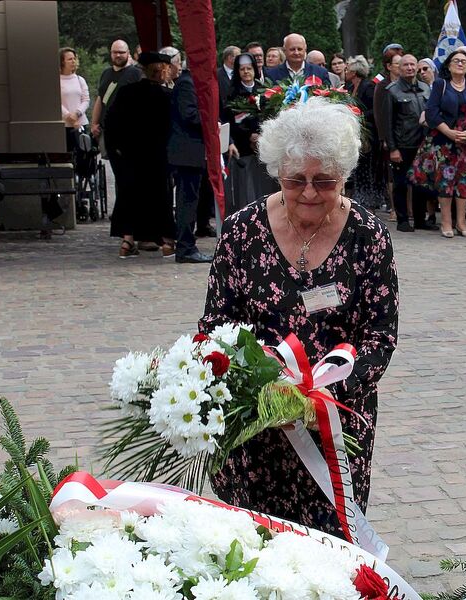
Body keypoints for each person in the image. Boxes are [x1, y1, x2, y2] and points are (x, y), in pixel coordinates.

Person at [200, 98, 399, 538]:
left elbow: (379, 337)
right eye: (296, 180)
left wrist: (316, 398)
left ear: (344, 176)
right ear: (277, 173)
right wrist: (258, 388)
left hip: (335, 420)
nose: (309, 192)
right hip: (256, 421)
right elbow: (217, 327)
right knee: (255, 541)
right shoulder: (241, 232)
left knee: (330, 542)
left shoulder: (369, 237)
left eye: (325, 180)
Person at [410, 49, 466, 238]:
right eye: (456, 60)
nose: (460, 64)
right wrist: (450, 133)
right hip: (444, 142)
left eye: (464, 61)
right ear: (449, 65)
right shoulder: (440, 84)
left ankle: (461, 223)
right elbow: (432, 113)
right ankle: (446, 222)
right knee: (445, 183)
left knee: (464, 183)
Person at [105, 51, 175, 259]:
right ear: (161, 70)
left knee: (129, 196)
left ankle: (127, 240)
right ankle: (167, 242)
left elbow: (111, 122)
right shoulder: (166, 96)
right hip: (157, 156)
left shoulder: (127, 92)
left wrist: (117, 149)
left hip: (130, 156)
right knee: (160, 197)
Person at [167, 64, 214, 264]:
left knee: (191, 198)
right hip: (187, 151)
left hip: (192, 151)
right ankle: (185, 247)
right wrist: (211, 122)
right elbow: (190, 115)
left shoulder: (190, 82)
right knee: (187, 200)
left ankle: (186, 244)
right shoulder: (187, 83)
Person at [385, 54, 436, 232]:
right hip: (402, 145)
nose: (410, 68)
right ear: (399, 68)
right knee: (400, 184)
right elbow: (388, 123)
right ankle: (403, 219)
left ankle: (421, 219)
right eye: (405, 65)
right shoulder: (392, 91)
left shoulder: (425, 88)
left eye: (412, 65)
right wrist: (393, 148)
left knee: (421, 183)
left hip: (423, 145)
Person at [222, 53, 277, 214]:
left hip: (263, 149)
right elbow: (229, 122)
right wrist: (248, 136)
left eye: (249, 68)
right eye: (242, 69)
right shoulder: (232, 94)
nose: (246, 72)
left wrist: (262, 134)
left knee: (264, 188)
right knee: (245, 191)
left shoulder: (264, 91)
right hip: (243, 150)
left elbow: (271, 117)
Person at [345, 55, 385, 209]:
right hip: (353, 135)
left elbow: (374, 111)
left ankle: (369, 203)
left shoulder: (368, 87)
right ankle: (357, 200)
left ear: (355, 72)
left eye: (348, 69)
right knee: (356, 169)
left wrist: (356, 115)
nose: (346, 71)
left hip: (368, 136)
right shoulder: (349, 88)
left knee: (367, 170)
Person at [90, 39, 143, 155]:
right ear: (111, 53)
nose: (118, 55)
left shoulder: (137, 74)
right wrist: (94, 124)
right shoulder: (106, 73)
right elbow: (100, 99)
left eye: (121, 52)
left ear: (128, 52)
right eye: (115, 52)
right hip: (107, 130)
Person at [264, 33, 330, 84]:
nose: (296, 53)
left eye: (300, 49)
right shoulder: (271, 74)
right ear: (284, 51)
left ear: (305, 50)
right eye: (292, 49)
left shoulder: (320, 73)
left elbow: (328, 99)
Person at [59, 47, 90, 152]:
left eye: (74, 59)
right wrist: (68, 116)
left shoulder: (80, 80)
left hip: (80, 124)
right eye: (69, 59)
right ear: (62, 62)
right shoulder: (56, 81)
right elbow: (55, 102)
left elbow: (86, 100)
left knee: (83, 155)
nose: (73, 61)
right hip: (64, 126)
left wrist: (77, 113)